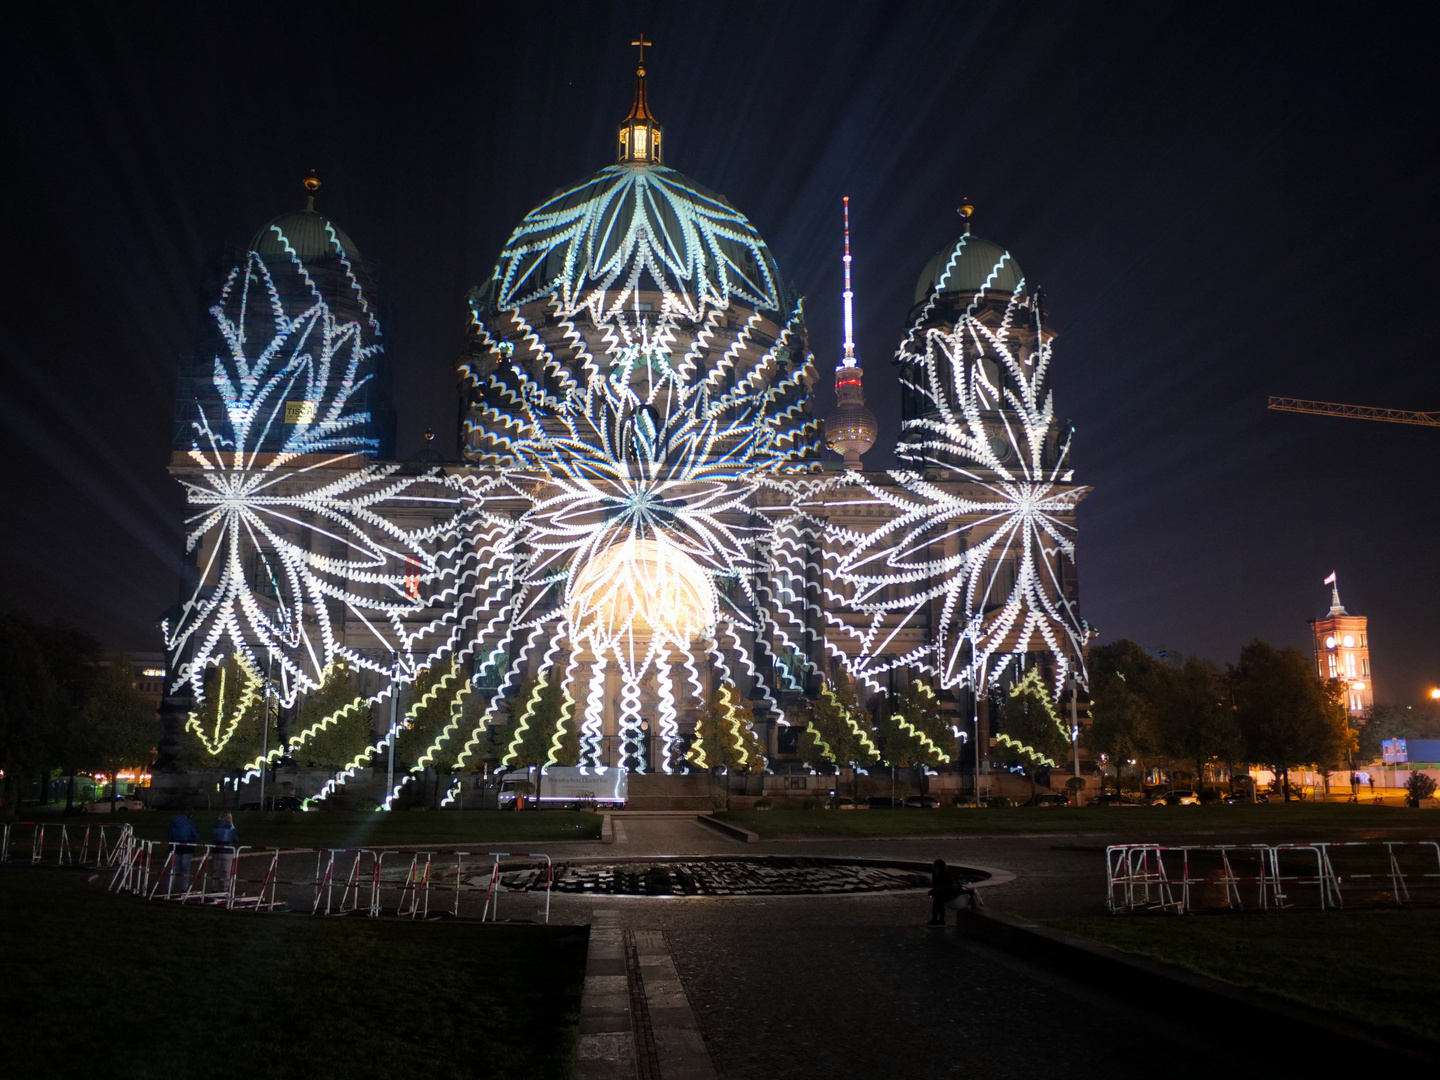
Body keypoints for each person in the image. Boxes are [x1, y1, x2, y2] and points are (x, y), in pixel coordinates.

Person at [167, 811, 199, 895]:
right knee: (185, 869)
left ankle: (170, 888)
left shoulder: (173, 823)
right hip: (187, 847)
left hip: (174, 846)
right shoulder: (190, 823)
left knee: (173, 868)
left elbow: (169, 833)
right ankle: (183, 889)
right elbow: (196, 834)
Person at [928, 859, 964, 925]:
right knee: (939, 899)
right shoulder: (947, 875)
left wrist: (934, 892)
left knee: (938, 900)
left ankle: (936, 920)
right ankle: (940, 920)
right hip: (951, 895)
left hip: (953, 896)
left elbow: (946, 890)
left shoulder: (946, 877)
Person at [211, 811, 239, 890]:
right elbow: (236, 839)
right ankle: (225, 888)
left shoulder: (215, 826)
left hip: (216, 850)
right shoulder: (230, 827)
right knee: (226, 871)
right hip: (228, 851)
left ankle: (214, 888)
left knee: (216, 871)